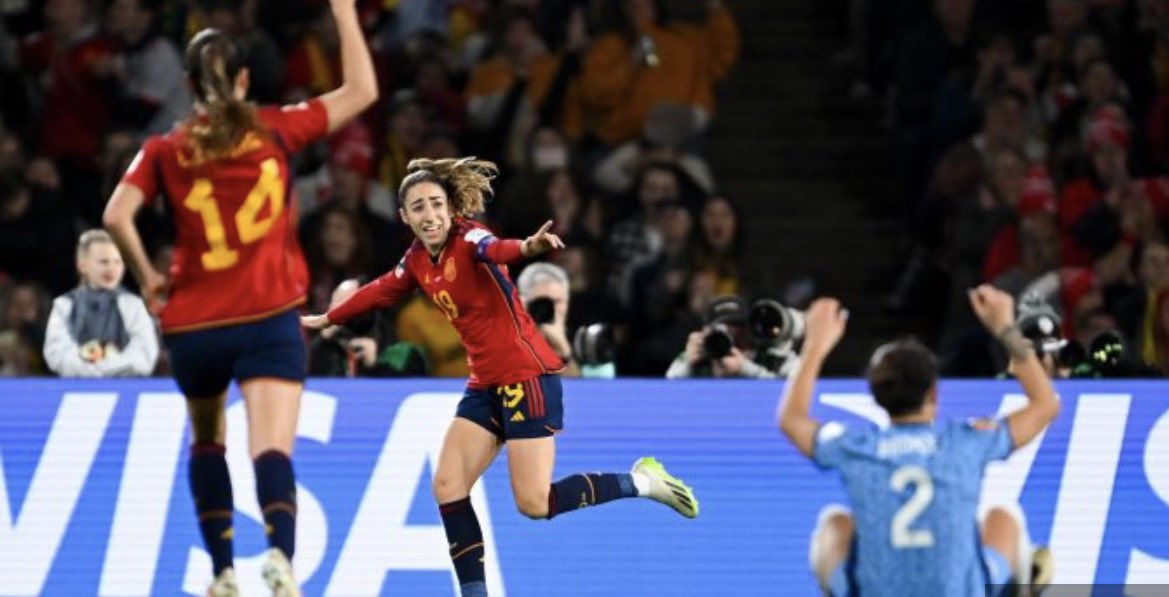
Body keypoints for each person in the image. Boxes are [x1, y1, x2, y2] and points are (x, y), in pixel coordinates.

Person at [301, 156, 698, 597]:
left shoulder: (470, 236)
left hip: (526, 377)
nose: (429, 215)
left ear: (451, 208)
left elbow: (499, 249)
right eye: (418, 208)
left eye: (436, 204)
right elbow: (381, 289)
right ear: (405, 217)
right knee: (448, 484)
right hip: (484, 383)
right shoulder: (417, 259)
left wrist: (529, 247)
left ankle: (643, 481)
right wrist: (329, 318)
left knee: (535, 503)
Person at [101, 0, 378, 593]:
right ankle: (279, 556)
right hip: (266, 315)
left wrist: (148, 276)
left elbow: (116, 214)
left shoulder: (165, 148)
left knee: (207, 440)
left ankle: (223, 569)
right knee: (270, 448)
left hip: (194, 325)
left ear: (189, 85)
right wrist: (345, 13)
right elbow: (361, 91)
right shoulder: (275, 128)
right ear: (246, 80)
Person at [777, 285, 1057, 596]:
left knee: (834, 524)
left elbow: (791, 420)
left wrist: (815, 346)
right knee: (1004, 518)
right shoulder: (966, 441)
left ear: (876, 398)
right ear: (934, 393)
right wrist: (1005, 328)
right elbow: (1046, 405)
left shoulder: (855, 447)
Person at [43, 229, 158, 377]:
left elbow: (144, 353)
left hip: (125, 387)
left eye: (117, 261)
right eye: (103, 262)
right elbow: (56, 352)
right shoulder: (64, 305)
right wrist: (91, 371)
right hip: (76, 387)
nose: (111, 268)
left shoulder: (132, 305)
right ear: (82, 265)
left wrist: (108, 369)